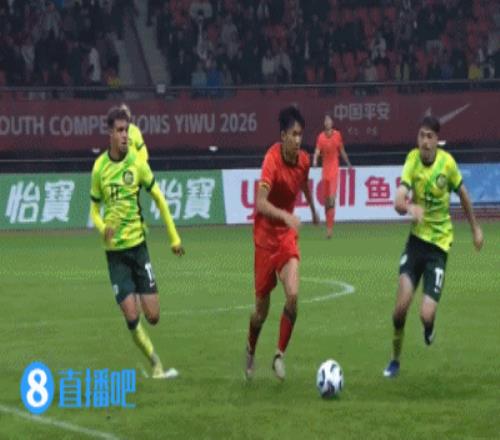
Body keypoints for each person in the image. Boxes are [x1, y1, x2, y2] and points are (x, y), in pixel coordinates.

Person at [383, 116, 484, 378]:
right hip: (416, 243)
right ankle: (394, 360)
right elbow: (398, 201)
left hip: (438, 246)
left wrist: (475, 229)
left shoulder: (447, 164)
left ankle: (429, 326)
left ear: (437, 140)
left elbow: (463, 195)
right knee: (400, 309)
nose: (425, 142)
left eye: (430, 136)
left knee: (425, 315)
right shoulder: (412, 160)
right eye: (421, 136)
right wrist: (409, 207)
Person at [90, 106, 185, 379]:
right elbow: (94, 209)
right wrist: (102, 227)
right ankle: (155, 363)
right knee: (132, 316)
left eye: (127, 131)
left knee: (152, 316)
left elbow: (160, 199)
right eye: (120, 131)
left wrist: (174, 238)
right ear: (110, 133)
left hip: (138, 248)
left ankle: (139, 297)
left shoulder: (137, 163)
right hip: (115, 255)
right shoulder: (99, 168)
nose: (124, 136)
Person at [245, 106, 319, 381]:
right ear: (283, 135)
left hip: (286, 237)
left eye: (301, 134)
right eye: (293, 134)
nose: (298, 140)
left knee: (293, 295)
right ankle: (250, 348)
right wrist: (286, 215)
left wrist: (313, 210)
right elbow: (260, 203)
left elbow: (304, 183)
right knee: (260, 313)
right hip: (265, 239)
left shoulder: (304, 160)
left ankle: (278, 355)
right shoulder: (272, 160)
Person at [313, 114, 352, 238]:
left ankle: (330, 230)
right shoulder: (320, 137)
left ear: (332, 123)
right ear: (324, 124)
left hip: (334, 172)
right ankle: (328, 225)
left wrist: (348, 163)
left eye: (329, 120)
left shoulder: (337, 135)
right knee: (326, 203)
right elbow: (317, 151)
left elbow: (342, 150)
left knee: (331, 200)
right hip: (325, 173)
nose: (328, 123)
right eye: (326, 121)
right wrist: (315, 160)